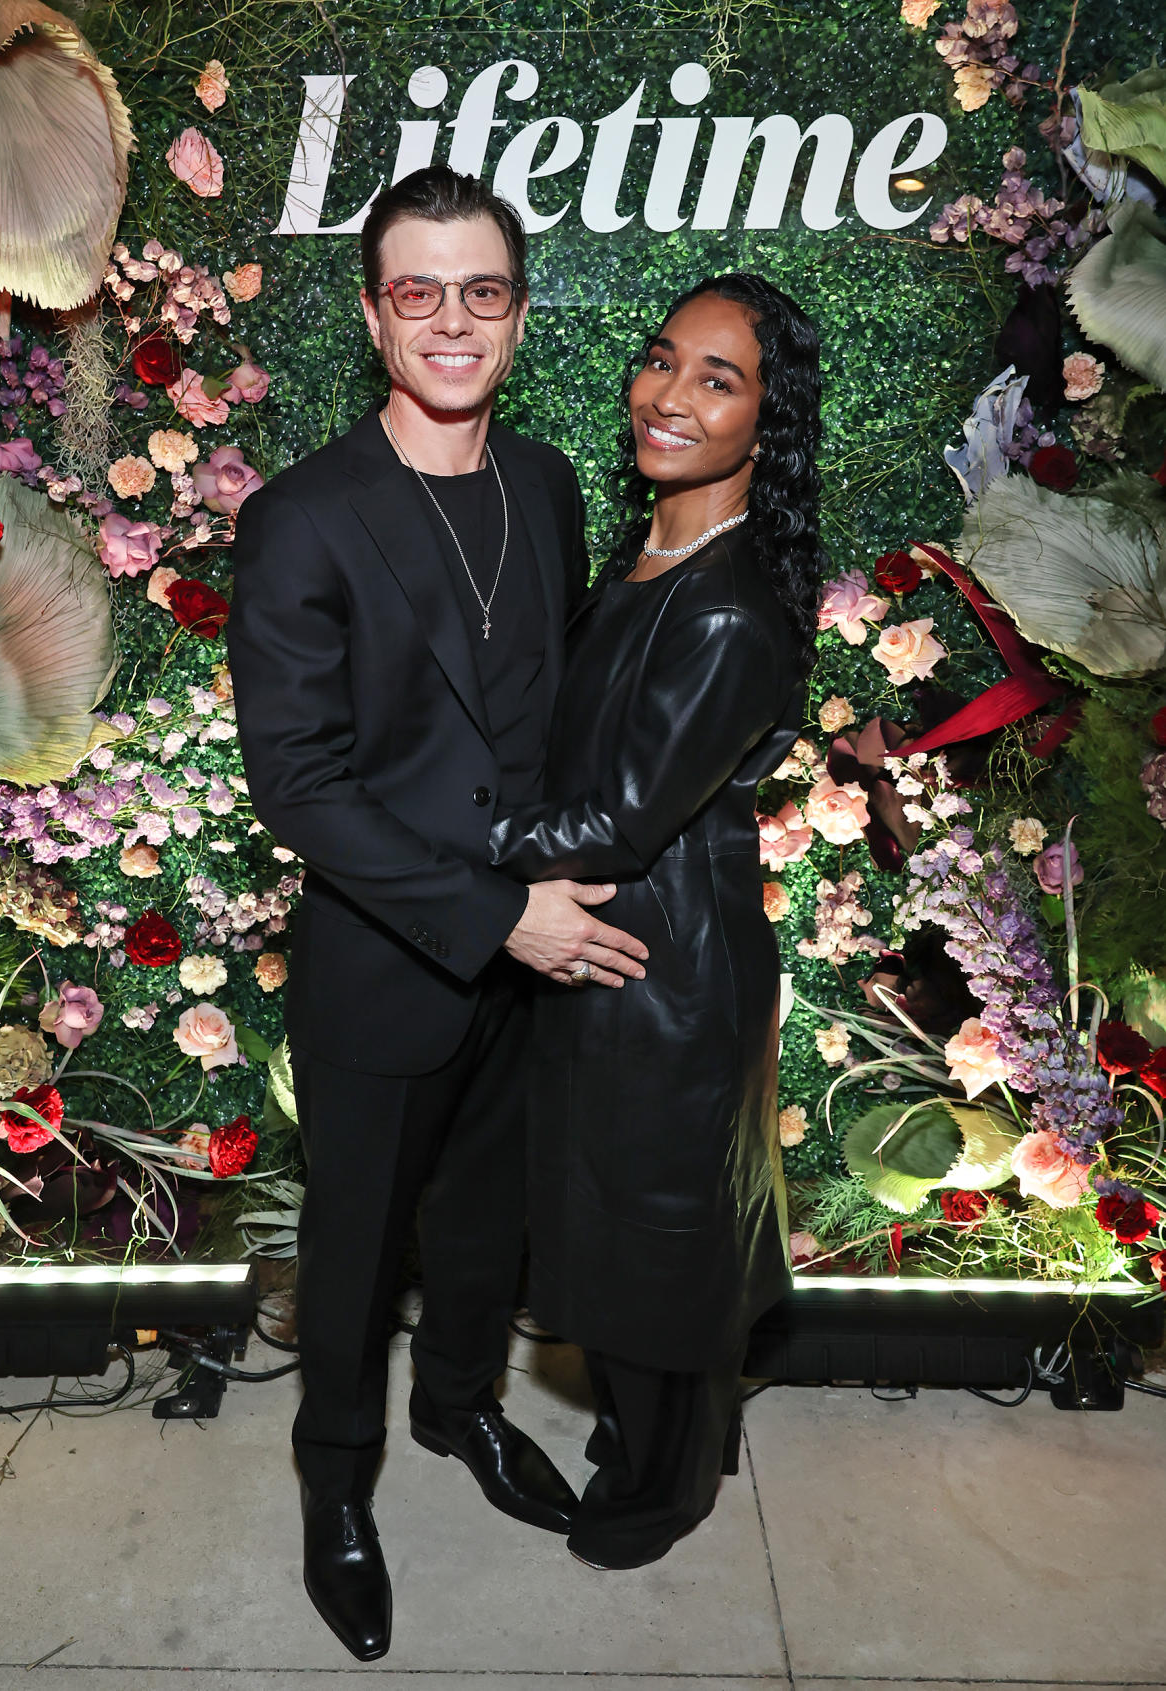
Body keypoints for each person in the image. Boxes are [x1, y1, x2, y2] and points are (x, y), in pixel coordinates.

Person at [226, 166, 649, 1662]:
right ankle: (335, 1494)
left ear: (519, 316)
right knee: (352, 1259)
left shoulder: (544, 482)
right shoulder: (302, 520)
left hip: (527, 966)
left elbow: (545, 717)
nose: (451, 321)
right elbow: (301, 785)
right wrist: (496, 914)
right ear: (372, 312)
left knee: (484, 1230)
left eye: (483, 292)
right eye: (419, 291)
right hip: (386, 968)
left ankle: (460, 1408)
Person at [487, 272, 821, 1570]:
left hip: (662, 971)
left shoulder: (729, 605)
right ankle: (656, 1433)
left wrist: (436, 842)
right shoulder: (649, 555)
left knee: (659, 1248)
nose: (667, 395)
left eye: (716, 379)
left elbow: (621, 820)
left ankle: (669, 1478)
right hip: (613, 959)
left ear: (764, 423)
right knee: (620, 1233)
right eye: (663, 358)